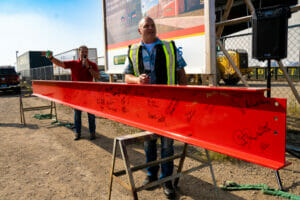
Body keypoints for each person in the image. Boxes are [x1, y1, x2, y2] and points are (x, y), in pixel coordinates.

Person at [125, 16, 187, 199]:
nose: (150, 28)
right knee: (148, 141)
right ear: (139, 31)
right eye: (146, 26)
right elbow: (127, 77)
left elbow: (181, 72)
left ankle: (166, 180)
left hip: (167, 105)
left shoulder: (169, 47)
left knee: (167, 145)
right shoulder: (133, 50)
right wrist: (137, 80)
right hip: (145, 107)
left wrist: (183, 99)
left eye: (152, 25)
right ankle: (151, 175)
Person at [44, 45, 100, 141]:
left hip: (89, 94)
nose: (84, 53)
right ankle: (77, 132)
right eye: (82, 52)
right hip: (77, 95)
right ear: (79, 53)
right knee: (77, 115)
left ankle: (92, 133)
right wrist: (51, 58)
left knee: (91, 115)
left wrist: (89, 67)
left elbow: (98, 77)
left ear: (88, 53)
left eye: (86, 52)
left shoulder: (92, 64)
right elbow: (61, 64)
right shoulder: (74, 64)